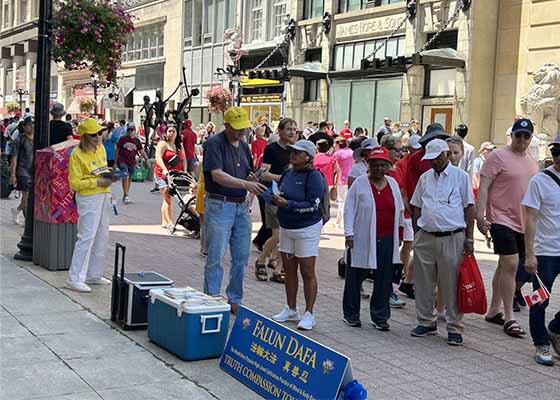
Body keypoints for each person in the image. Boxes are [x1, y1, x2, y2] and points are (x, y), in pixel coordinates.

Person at [477, 118, 539, 337]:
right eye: (518, 135)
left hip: (523, 221)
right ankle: (508, 317)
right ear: (511, 136)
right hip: (500, 218)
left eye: (526, 136)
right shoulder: (497, 157)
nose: (521, 140)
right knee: (511, 263)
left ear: (530, 138)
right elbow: (483, 187)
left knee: (505, 266)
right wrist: (480, 215)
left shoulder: (531, 161)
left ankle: (493, 311)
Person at [410, 139, 475, 346]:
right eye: (431, 159)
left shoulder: (461, 177)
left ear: (446, 155)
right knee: (423, 282)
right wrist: (417, 232)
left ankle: (454, 326)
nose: (433, 163)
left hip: (452, 236)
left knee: (451, 283)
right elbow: (416, 206)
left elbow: (469, 208)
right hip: (426, 237)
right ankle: (425, 321)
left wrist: (469, 237)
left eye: (437, 158)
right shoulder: (425, 178)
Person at [203, 107, 266, 314]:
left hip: (240, 205)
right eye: (237, 129)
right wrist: (245, 184)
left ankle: (235, 298)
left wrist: (253, 178)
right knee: (216, 255)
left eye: (244, 128)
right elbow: (217, 175)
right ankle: (212, 297)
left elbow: (246, 171)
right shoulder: (214, 143)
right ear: (227, 125)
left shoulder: (245, 146)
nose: (242, 132)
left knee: (241, 257)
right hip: (220, 203)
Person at [343, 147, 404, 330]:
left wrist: (399, 234)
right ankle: (351, 314)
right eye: (374, 165)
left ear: (387, 166)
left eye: (382, 165)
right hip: (361, 237)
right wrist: (348, 233)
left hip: (386, 238)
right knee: (355, 276)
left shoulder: (392, 183)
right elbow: (349, 209)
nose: (378, 169)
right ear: (368, 165)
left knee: (384, 278)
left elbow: (400, 210)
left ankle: (380, 316)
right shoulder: (360, 183)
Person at [271, 140, 325, 330]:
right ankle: (291, 308)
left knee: (307, 271)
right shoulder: (288, 172)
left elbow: (313, 205)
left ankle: (309, 313)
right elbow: (282, 194)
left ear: (308, 157)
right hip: (287, 227)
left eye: (298, 152)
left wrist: (288, 205)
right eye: (292, 151)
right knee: (289, 269)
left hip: (307, 228)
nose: (293, 154)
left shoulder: (314, 176)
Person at [66, 118, 117, 293]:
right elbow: (74, 183)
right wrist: (98, 182)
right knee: (86, 236)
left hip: (103, 194)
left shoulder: (101, 149)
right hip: (89, 197)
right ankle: (75, 277)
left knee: (102, 235)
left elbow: (101, 171)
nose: (98, 137)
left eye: (99, 133)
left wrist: (109, 177)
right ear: (85, 137)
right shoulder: (76, 154)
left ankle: (94, 274)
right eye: (94, 134)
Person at [522, 135, 560, 366]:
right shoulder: (539, 181)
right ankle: (541, 343)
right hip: (545, 251)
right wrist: (529, 253)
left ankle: (554, 329)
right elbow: (531, 219)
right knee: (539, 299)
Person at [254, 118, 298, 282]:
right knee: (278, 234)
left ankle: (278, 270)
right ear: (279, 131)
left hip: (291, 197)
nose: (292, 132)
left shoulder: (296, 149)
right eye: (288, 129)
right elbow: (263, 173)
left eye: (294, 129)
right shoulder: (272, 148)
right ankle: (260, 260)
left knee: (288, 235)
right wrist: (283, 178)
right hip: (273, 196)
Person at [395, 133, 422, 299]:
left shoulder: (420, 162)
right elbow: (402, 188)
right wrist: (407, 208)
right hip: (407, 211)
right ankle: (404, 274)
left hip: (414, 210)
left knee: (411, 244)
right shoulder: (402, 164)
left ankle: (407, 276)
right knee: (407, 244)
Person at [153, 124, 188, 228]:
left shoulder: (179, 145)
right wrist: (164, 169)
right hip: (161, 174)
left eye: (174, 131)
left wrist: (185, 171)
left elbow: (184, 159)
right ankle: (169, 222)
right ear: (166, 133)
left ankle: (165, 221)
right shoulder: (163, 144)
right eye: (169, 131)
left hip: (174, 175)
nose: (172, 133)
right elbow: (158, 157)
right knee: (167, 197)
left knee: (168, 198)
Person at [115, 123, 150, 204]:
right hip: (122, 160)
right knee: (125, 175)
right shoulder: (122, 139)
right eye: (129, 130)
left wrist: (147, 159)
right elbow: (117, 150)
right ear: (127, 130)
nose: (130, 131)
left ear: (134, 131)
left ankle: (125, 194)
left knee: (129, 177)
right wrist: (115, 162)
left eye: (132, 130)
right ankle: (126, 195)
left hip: (132, 161)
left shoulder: (137, 141)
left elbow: (141, 151)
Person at [9, 116, 34, 225]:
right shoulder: (19, 139)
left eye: (33, 125)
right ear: (24, 126)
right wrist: (13, 174)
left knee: (28, 198)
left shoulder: (38, 138)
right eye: (29, 125)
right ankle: (27, 222)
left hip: (33, 171)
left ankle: (17, 209)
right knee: (26, 196)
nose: (32, 127)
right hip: (22, 170)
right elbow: (14, 158)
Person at [333, 138, 354, 228]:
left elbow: (334, 168)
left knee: (341, 201)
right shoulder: (352, 152)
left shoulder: (336, 154)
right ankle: (339, 221)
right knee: (347, 201)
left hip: (341, 179)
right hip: (351, 179)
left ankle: (341, 222)